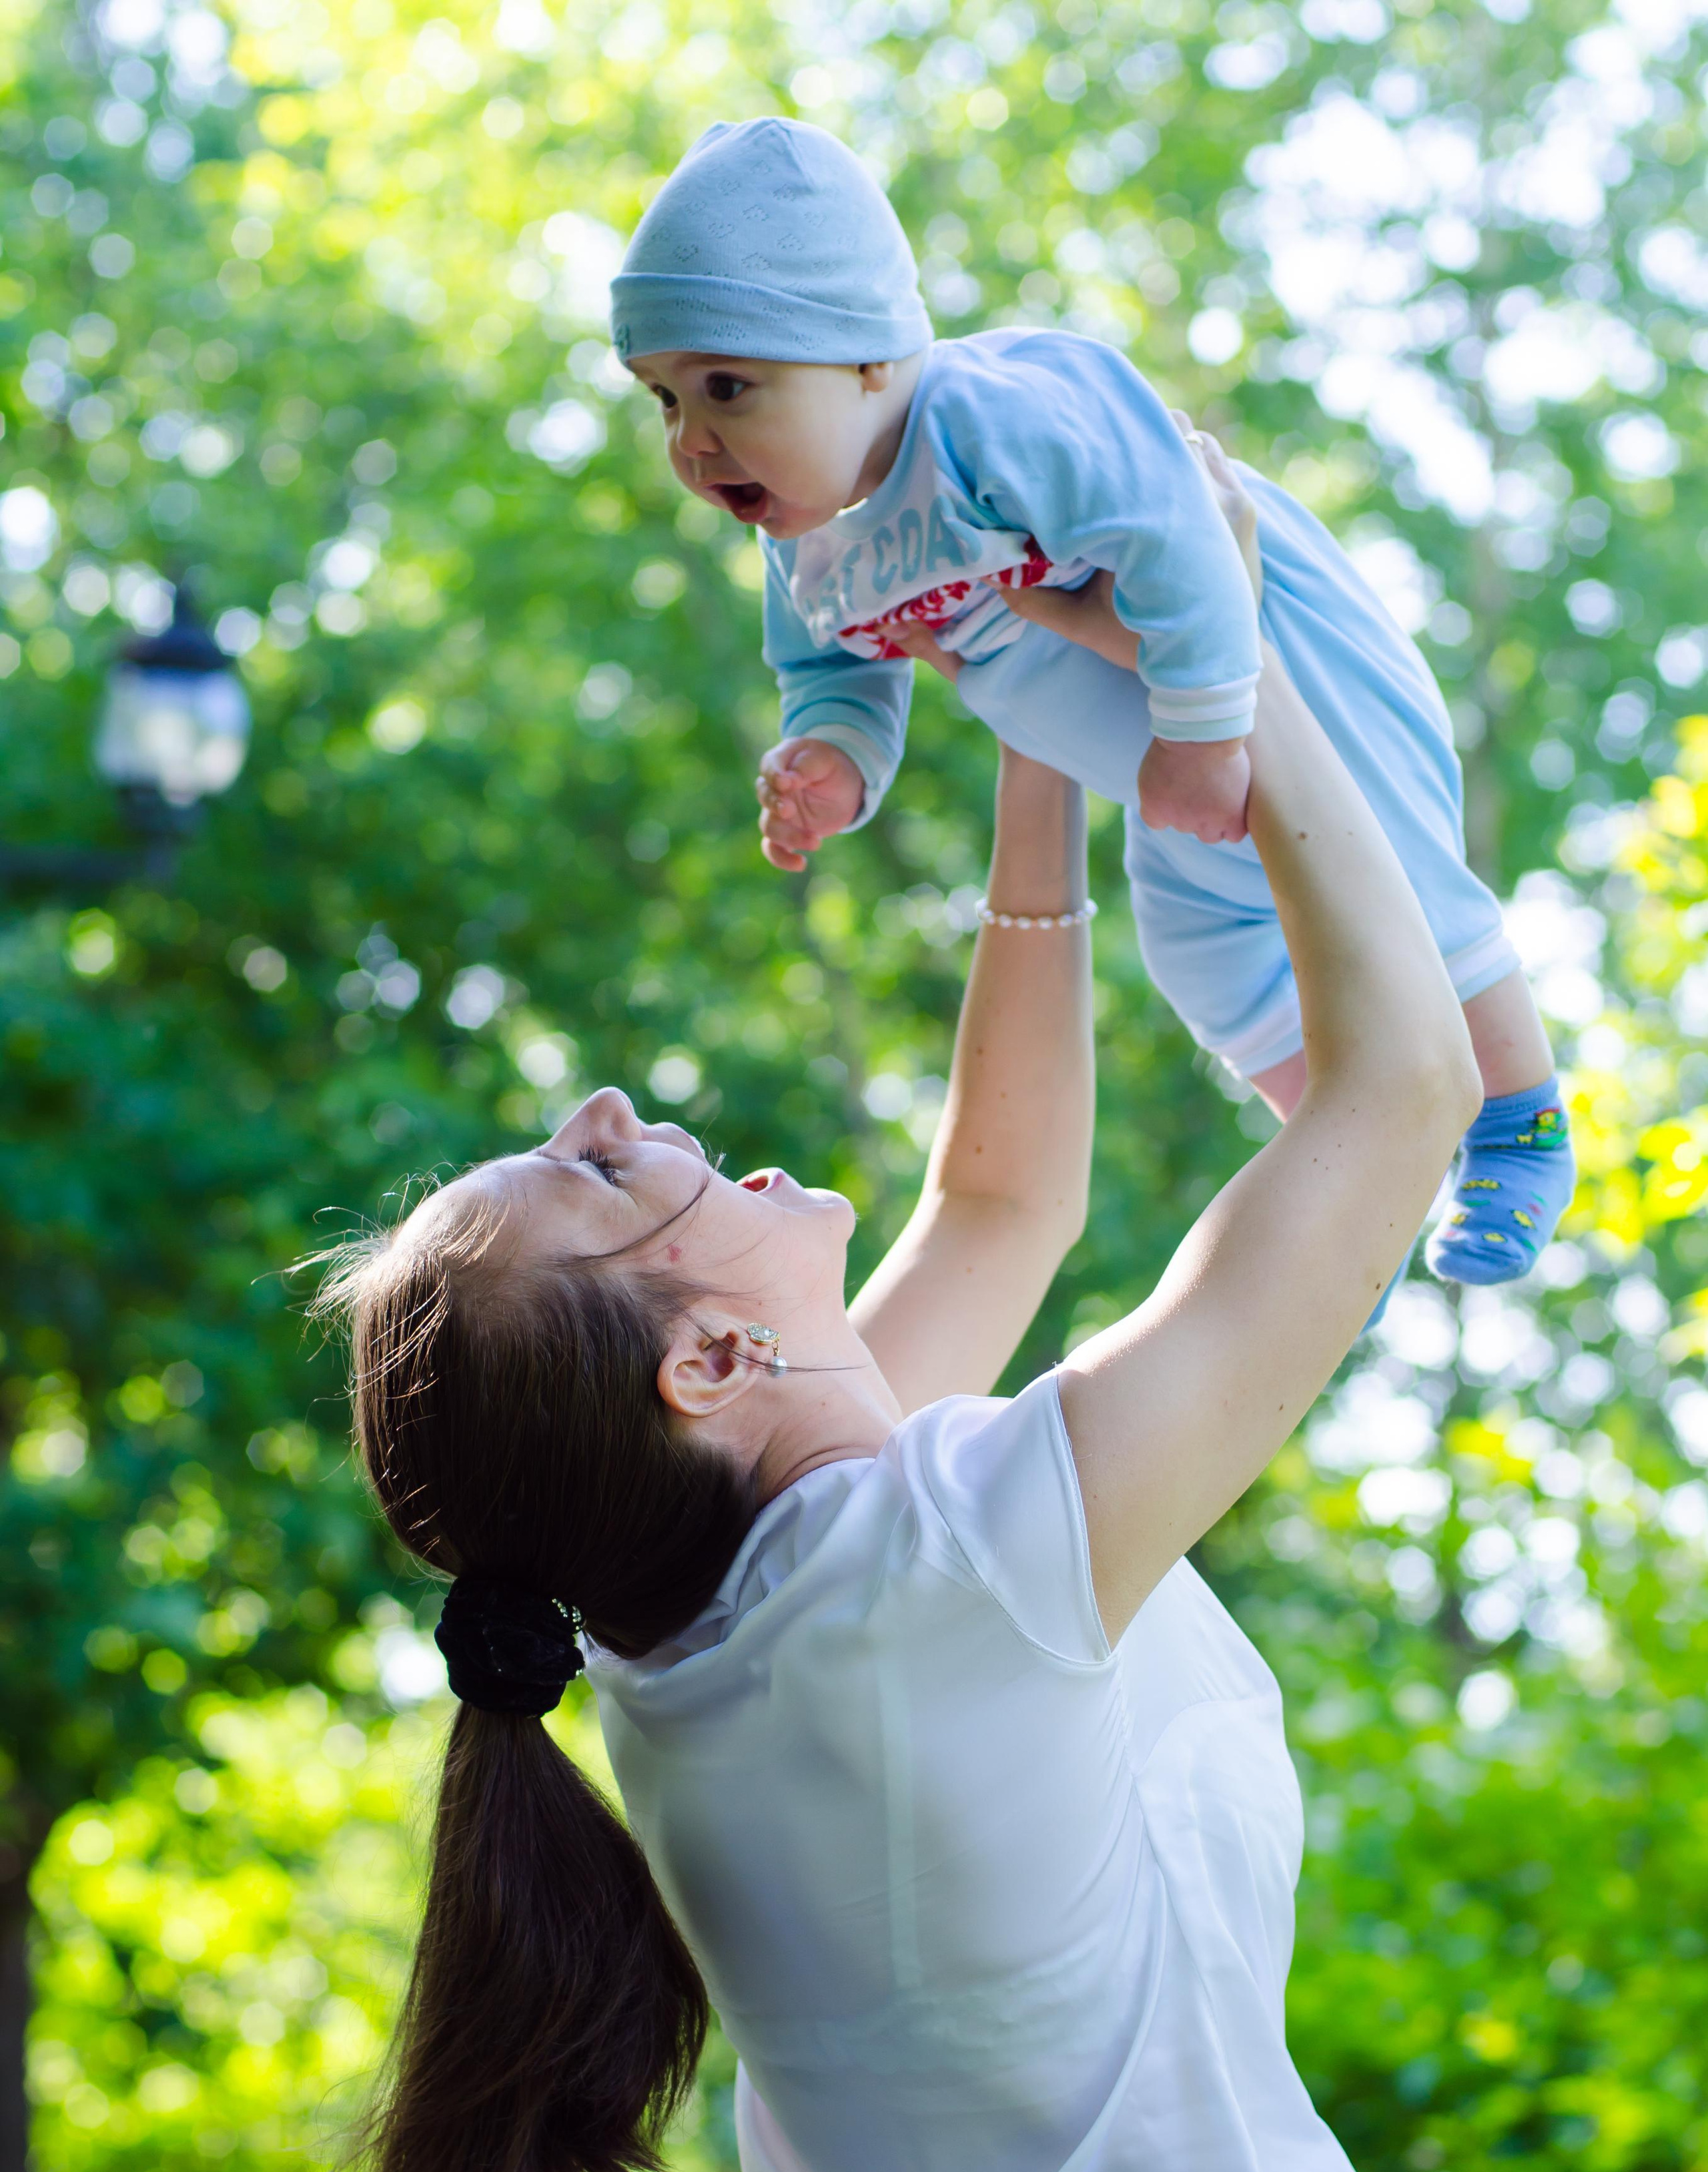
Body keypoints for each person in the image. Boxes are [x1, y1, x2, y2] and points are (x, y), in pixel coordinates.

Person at [318, 436, 1479, 2172]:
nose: (601, 1109)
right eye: (586, 1179)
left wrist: (1033, 713)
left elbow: (1007, 1194)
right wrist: (1218, 655)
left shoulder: (711, 1625)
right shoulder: (930, 1571)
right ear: (703, 1362)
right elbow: (1409, 1095)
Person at [608, 115, 1573, 1292]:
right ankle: (1353, 1179)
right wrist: (833, 758)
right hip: (1154, 765)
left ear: (868, 354)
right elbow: (835, 669)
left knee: (1394, 875)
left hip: (1268, 665)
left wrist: (1209, 730)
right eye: (663, 400)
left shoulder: (996, 414)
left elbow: (1183, 533)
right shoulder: (801, 542)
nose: (694, 442)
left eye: (727, 387)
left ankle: (1519, 1115)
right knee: (1204, 953)